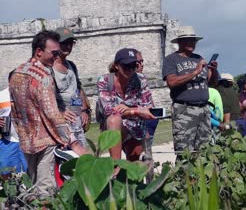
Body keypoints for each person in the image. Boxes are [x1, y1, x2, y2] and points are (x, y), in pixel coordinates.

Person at [9, 31, 88, 198]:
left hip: (26, 140)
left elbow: (15, 109)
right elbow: (52, 113)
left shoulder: (17, 73)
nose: (56, 56)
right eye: (54, 53)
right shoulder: (43, 77)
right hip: (45, 140)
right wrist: (72, 142)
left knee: (30, 185)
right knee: (46, 189)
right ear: (39, 52)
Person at [162, 26, 218, 152]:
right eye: (187, 40)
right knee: (184, 152)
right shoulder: (171, 60)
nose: (191, 43)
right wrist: (195, 72)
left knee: (204, 150)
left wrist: (213, 71)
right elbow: (171, 82)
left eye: (193, 40)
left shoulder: (199, 58)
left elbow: (212, 83)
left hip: (204, 108)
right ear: (180, 42)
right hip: (184, 109)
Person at [97, 48, 156, 163]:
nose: (130, 70)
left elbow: (148, 107)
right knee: (115, 120)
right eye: (126, 66)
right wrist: (137, 111)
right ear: (117, 66)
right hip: (114, 127)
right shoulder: (104, 80)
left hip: (136, 127)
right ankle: (115, 166)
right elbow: (109, 111)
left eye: (133, 66)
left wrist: (128, 109)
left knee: (134, 166)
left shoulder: (140, 79)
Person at [52, 27, 91, 147]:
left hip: (75, 117)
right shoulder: (50, 68)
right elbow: (46, 97)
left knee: (80, 153)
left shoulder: (71, 66)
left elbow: (76, 90)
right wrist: (60, 113)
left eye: (70, 43)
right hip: (60, 119)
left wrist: (83, 110)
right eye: (63, 43)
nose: (67, 47)